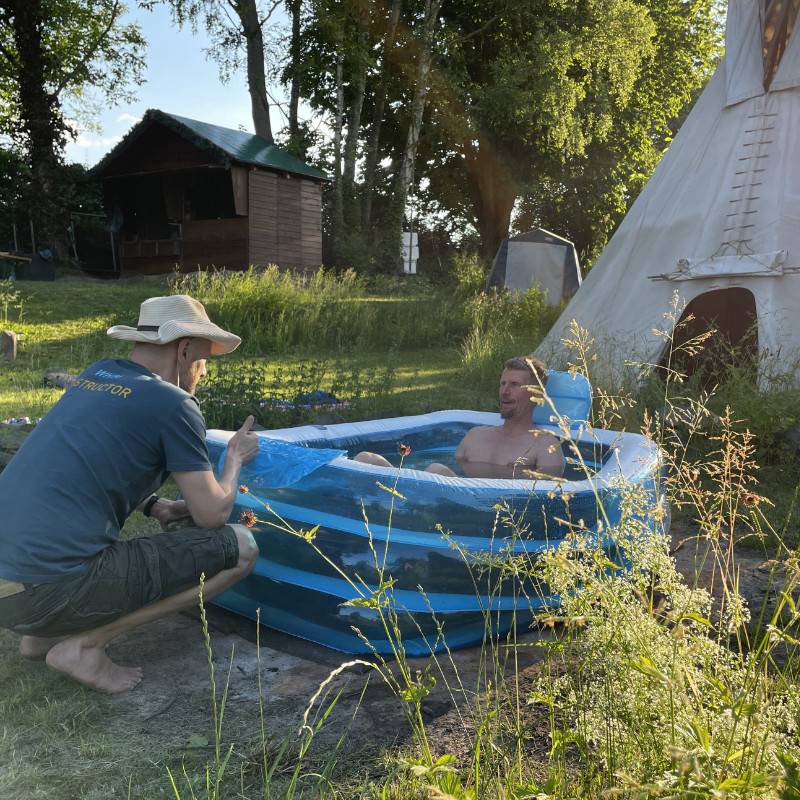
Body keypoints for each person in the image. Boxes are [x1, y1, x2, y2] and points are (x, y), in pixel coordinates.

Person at [0, 295, 260, 694]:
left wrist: (154, 505)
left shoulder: (97, 375)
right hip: (47, 594)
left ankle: (38, 637)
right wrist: (234, 459)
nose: (203, 371)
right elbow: (211, 515)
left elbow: (79, 461)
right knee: (242, 548)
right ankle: (84, 647)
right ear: (184, 348)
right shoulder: (174, 404)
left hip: (8, 598)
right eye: (204, 359)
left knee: (49, 556)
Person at [354, 356, 565, 479]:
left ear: (537, 394)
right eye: (502, 384)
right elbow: (454, 473)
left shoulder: (545, 447)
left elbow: (544, 502)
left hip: (483, 517)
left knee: (435, 470)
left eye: (515, 385)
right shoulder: (475, 436)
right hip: (439, 501)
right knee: (365, 458)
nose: (505, 391)